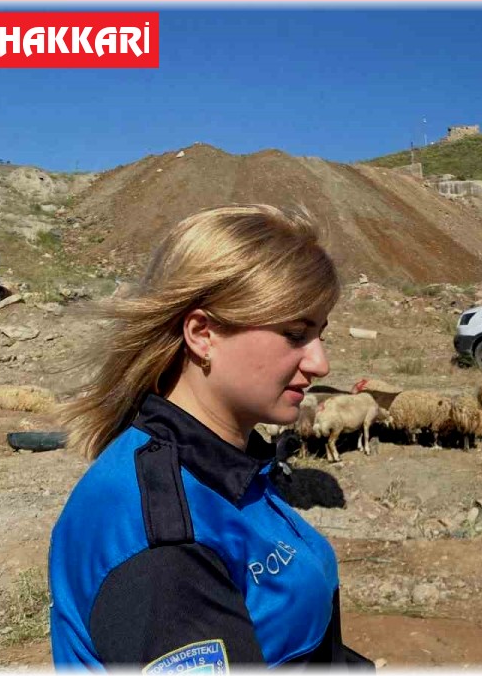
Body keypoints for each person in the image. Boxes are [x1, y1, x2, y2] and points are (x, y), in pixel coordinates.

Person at [49, 205, 374, 668]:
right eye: (295, 334)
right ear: (203, 334)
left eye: (321, 334)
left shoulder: (225, 468)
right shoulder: (167, 547)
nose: (320, 364)